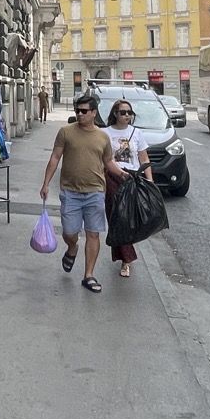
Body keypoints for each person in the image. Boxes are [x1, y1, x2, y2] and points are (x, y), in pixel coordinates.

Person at [39, 93, 127, 293]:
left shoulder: (102, 137)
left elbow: (108, 161)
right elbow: (55, 157)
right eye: (77, 110)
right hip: (70, 192)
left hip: (95, 192)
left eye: (84, 111)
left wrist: (123, 174)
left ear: (94, 113)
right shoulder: (65, 132)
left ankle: (89, 275)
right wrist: (46, 184)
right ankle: (72, 248)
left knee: (93, 234)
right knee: (70, 232)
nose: (79, 114)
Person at [102, 100, 153, 278]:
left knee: (126, 218)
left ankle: (125, 259)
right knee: (115, 217)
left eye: (129, 113)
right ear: (115, 113)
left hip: (132, 178)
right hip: (111, 176)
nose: (127, 115)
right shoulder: (105, 133)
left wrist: (150, 180)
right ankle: (126, 258)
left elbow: (144, 158)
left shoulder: (136, 133)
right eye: (123, 112)